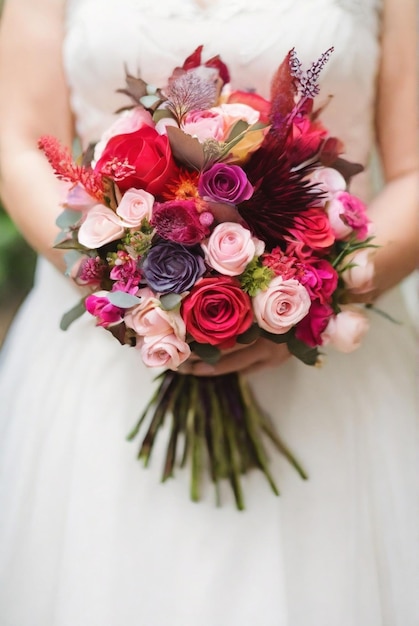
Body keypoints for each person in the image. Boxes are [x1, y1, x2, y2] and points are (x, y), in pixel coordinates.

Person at [0, 0, 417, 624]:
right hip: (104, 359)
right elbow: (21, 145)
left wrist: (306, 301)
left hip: (330, 365)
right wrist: (128, 289)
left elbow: (414, 169)